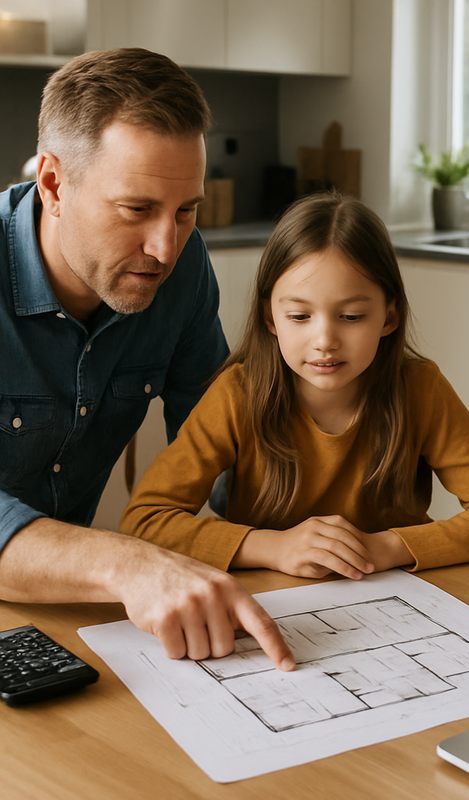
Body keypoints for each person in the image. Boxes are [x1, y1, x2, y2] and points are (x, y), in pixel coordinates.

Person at [0, 48, 293, 671]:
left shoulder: (183, 272)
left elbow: (219, 444)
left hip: (68, 615)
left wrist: (302, 519)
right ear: (54, 184)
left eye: (187, 211)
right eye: (137, 209)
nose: (165, 247)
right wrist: (129, 563)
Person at [120, 192, 469, 577]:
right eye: (300, 317)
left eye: (352, 317)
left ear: (388, 317)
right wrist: (272, 548)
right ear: (271, 319)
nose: (325, 341)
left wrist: (385, 547)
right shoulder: (238, 394)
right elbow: (145, 519)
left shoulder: (420, 389)